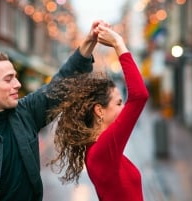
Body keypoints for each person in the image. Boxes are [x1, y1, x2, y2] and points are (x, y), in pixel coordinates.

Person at [0, 20, 110, 201]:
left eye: (16, 78)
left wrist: (89, 42)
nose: (17, 84)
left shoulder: (24, 114)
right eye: (8, 79)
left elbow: (61, 85)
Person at [46, 25, 149, 201]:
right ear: (99, 110)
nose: (123, 108)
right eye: (118, 103)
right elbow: (139, 96)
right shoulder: (102, 150)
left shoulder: (98, 148)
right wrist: (118, 43)